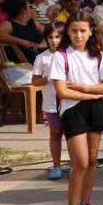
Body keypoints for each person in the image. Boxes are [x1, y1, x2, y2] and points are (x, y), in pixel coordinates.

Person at [51, 11, 103, 205]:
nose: (78, 35)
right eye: (74, 31)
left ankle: (86, 203)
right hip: (73, 110)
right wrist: (90, 95)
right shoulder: (60, 57)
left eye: (82, 31)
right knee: (80, 161)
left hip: (94, 108)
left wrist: (87, 88)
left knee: (92, 160)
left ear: (90, 32)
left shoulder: (97, 56)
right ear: (67, 32)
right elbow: (62, 92)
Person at [31, 24, 67, 180]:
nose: (54, 41)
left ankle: (76, 163)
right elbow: (35, 81)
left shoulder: (68, 55)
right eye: (50, 37)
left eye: (57, 37)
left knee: (73, 134)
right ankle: (56, 165)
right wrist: (46, 79)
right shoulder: (42, 58)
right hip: (51, 103)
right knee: (55, 133)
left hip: (69, 101)